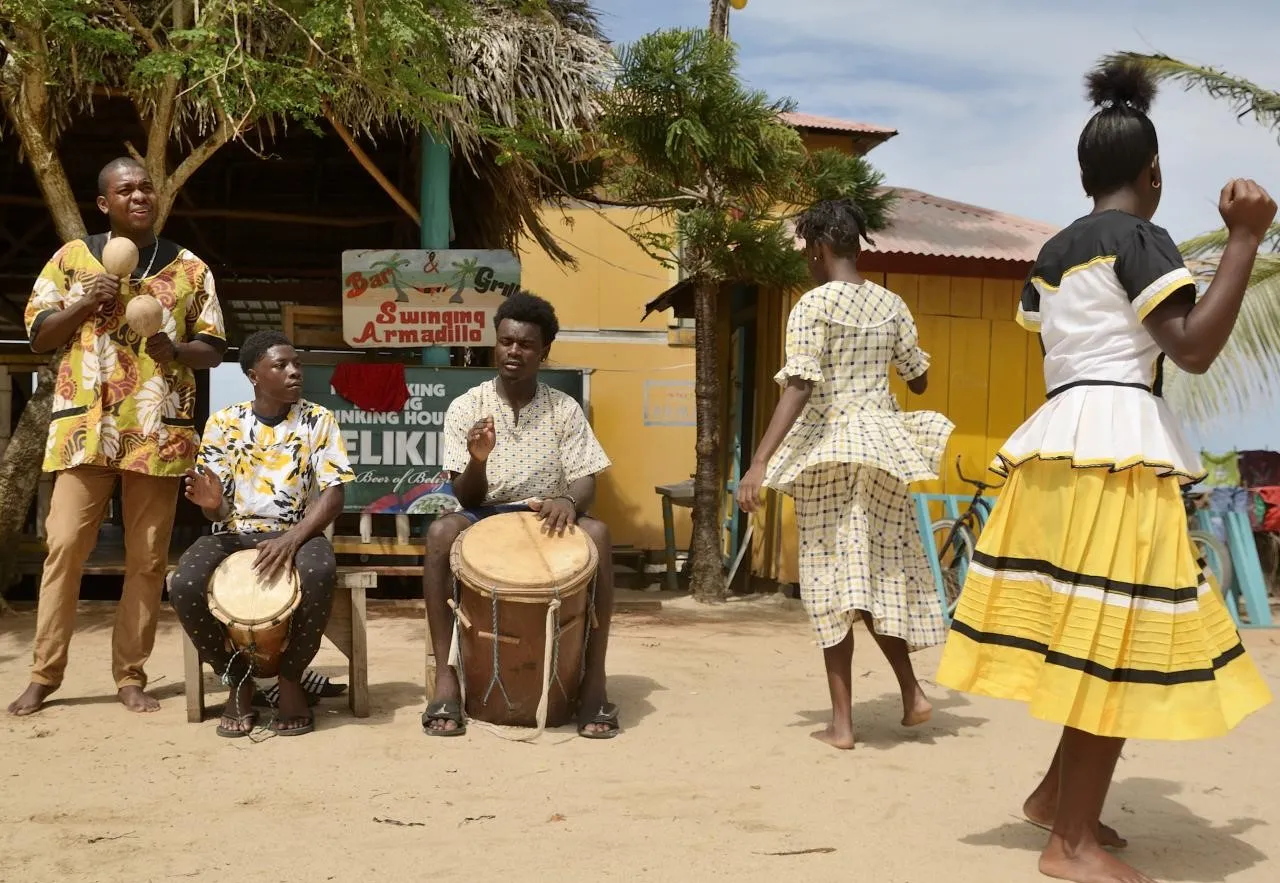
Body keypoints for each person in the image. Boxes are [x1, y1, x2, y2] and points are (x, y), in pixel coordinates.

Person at [934, 60, 1275, 883]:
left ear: (1084, 175)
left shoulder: (1053, 253)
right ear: (1153, 173)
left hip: (1061, 445)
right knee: (1113, 643)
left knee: (1099, 632)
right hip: (1118, 450)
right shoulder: (1140, 239)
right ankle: (1070, 845)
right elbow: (1190, 348)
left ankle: (1059, 798)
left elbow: (1055, 332)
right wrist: (1243, 239)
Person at [8, 157, 226, 717]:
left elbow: (215, 347)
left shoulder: (188, 267)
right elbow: (37, 336)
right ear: (103, 203)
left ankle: (130, 675)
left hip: (155, 430)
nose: (139, 196)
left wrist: (175, 351)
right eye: (125, 190)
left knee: (148, 558)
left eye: (146, 187)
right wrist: (85, 301)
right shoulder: (71, 259)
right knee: (63, 547)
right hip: (86, 430)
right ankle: (44, 673)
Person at [736, 199, 954, 750]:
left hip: (833, 452)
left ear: (818, 247)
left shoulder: (813, 305)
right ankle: (912, 694)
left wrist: (759, 462)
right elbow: (919, 379)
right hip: (884, 450)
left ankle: (842, 724)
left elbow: (801, 385)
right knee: (876, 575)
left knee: (833, 581)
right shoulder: (892, 303)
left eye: (806, 250)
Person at [421, 291, 619, 739]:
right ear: (497, 342)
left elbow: (588, 477)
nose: (514, 351)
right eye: (507, 341)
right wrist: (478, 459)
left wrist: (569, 501)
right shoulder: (467, 407)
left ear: (543, 352)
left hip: (548, 513)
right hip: (485, 514)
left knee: (601, 534)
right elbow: (466, 496)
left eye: (526, 344)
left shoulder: (565, 408)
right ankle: (446, 678)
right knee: (438, 533)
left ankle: (594, 681)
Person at [171, 331, 355, 737]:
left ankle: (290, 680)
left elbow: (334, 496)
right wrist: (210, 502)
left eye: (296, 364)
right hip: (233, 534)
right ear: (255, 376)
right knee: (182, 583)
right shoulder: (223, 423)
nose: (294, 372)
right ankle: (238, 678)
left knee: (320, 573)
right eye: (281, 365)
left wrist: (292, 540)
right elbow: (217, 508)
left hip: (299, 532)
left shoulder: (318, 420)